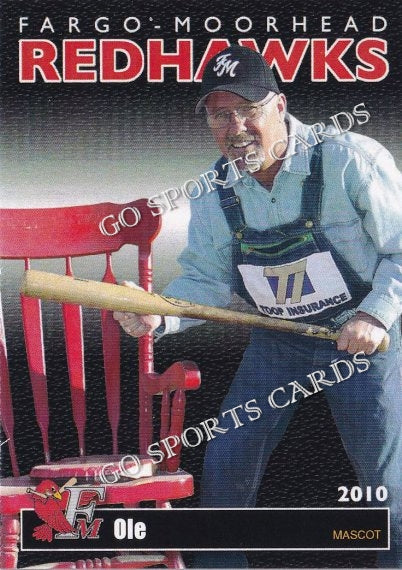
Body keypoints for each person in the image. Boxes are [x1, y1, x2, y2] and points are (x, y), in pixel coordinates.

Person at [114, 46, 402, 568]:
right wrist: (160, 313)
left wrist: (375, 314)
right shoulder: (214, 191)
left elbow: (399, 248)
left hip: (362, 338)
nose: (236, 125)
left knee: (385, 484)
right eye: (221, 114)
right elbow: (205, 280)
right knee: (227, 459)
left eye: (248, 108)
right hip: (280, 341)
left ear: (280, 106)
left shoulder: (349, 160)